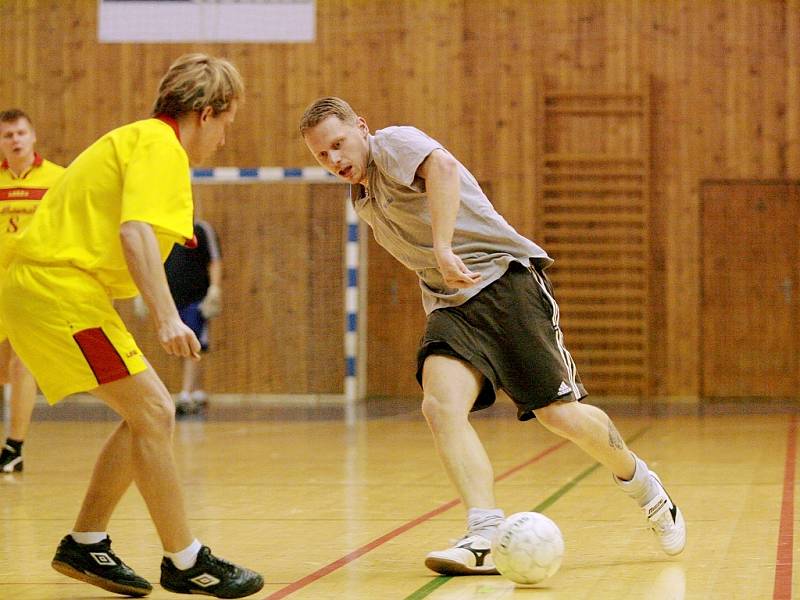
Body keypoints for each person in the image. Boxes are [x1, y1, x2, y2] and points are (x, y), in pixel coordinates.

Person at [299, 97, 686, 576]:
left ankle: (646, 488)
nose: (334, 160)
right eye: (321, 155)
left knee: (559, 415)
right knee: (439, 405)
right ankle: (483, 532)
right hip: (452, 305)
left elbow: (441, 167)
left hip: (506, 285)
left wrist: (442, 246)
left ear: (362, 128)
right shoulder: (363, 196)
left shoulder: (393, 144)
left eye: (338, 145)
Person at [0, 54, 263, 598]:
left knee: (147, 414)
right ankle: (186, 560)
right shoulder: (161, 146)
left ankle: (88, 541)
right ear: (206, 113)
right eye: (227, 123)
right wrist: (167, 316)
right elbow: (135, 230)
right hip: (56, 292)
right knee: (154, 409)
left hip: (63, 292)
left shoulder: (142, 140)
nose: (224, 138)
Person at [0, 109, 65, 473]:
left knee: (22, 362)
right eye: (8, 135)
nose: (16, 140)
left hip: (34, 284)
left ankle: (14, 447)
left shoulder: (59, 179)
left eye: (21, 132)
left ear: (33, 135)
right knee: (5, 369)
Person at [136, 218, 222, 416]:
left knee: (194, 341)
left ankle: (185, 393)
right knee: (180, 344)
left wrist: (215, 289)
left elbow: (215, 260)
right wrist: (143, 292)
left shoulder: (201, 229)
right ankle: (195, 389)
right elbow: (150, 263)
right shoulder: (161, 232)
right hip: (171, 300)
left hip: (196, 299)